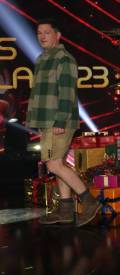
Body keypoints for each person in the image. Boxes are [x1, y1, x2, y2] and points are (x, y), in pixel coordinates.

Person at [26, 19, 100, 226]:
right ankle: (66, 210)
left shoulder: (64, 59)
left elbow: (67, 94)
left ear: (57, 35)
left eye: (47, 32)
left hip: (59, 120)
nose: (42, 36)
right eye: (39, 33)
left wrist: (60, 119)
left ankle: (90, 201)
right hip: (46, 120)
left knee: (54, 163)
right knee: (57, 162)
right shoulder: (42, 59)